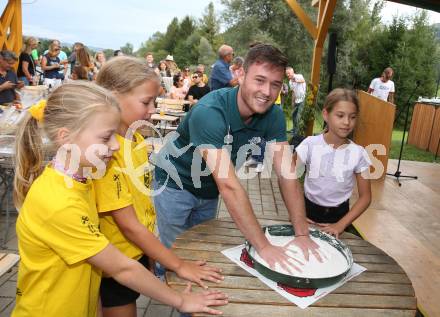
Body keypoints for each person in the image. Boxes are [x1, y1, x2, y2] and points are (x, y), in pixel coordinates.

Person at [11, 81, 228, 317]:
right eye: (105, 138)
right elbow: (123, 269)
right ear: (65, 137)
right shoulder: (58, 202)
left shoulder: (80, 181)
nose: (115, 146)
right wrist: (181, 301)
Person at [153, 44, 322, 280]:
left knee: (203, 253)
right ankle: (164, 283)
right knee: (176, 255)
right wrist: (263, 246)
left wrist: (302, 233)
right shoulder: (210, 111)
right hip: (175, 182)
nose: (267, 91)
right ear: (240, 75)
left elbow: (287, 174)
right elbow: (230, 186)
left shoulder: (273, 116)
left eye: (275, 84)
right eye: (260, 80)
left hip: (209, 189)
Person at [95, 57, 224, 317]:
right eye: (146, 102)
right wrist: (178, 264)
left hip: (135, 251)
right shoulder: (106, 155)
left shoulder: (137, 140)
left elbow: (143, 205)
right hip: (116, 261)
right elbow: (128, 225)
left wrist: (151, 248)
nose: (152, 110)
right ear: (112, 96)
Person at [295, 88, 372, 238]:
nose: (347, 122)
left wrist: (341, 225)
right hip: (307, 214)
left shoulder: (359, 153)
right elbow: (288, 179)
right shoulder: (309, 144)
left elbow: (366, 197)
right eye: (340, 115)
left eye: (353, 117)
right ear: (326, 114)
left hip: (340, 218)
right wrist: (296, 214)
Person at [285, 67, 306, 136]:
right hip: (296, 100)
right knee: (293, 115)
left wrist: (295, 80)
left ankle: (297, 133)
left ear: (292, 72)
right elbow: (293, 92)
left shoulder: (299, 76)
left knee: (298, 117)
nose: (288, 75)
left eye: (289, 73)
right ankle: (294, 129)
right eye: (287, 74)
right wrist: (292, 102)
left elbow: (303, 80)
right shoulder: (290, 82)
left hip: (302, 99)